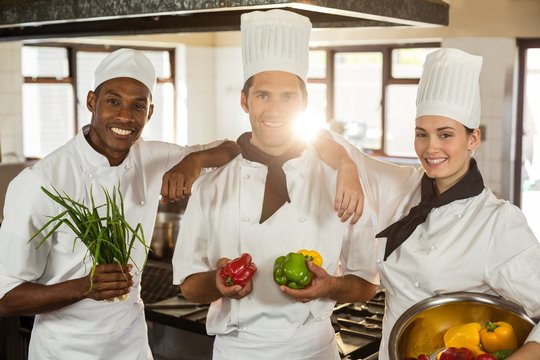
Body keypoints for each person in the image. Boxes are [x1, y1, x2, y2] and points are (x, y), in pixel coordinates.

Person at [0, 48, 244, 360]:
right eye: (113, 101)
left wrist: (195, 160)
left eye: (137, 106)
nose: (125, 117)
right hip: (65, 351)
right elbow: (6, 299)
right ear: (92, 101)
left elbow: (234, 149)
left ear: (150, 112)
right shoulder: (41, 181)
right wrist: (85, 287)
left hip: (131, 346)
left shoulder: (151, 157)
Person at [172, 9, 380, 360]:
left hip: (312, 347)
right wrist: (217, 283)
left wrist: (329, 286)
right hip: (237, 349)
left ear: (304, 103)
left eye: (288, 97)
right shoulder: (212, 186)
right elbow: (190, 285)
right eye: (263, 95)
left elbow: (366, 284)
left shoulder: (342, 182)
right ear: (245, 101)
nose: (275, 109)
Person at [331, 48, 540, 359]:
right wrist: (346, 167)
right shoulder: (400, 187)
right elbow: (322, 139)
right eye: (421, 134)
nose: (431, 148)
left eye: (445, 135)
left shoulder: (499, 223)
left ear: (473, 139)